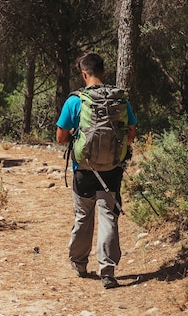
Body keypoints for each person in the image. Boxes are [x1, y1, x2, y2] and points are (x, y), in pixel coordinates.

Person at [56, 52, 137, 289]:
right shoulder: (120, 100)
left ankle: (79, 263)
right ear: (103, 72)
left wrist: (78, 135)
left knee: (83, 217)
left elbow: (61, 137)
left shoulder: (76, 101)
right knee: (108, 217)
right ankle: (107, 272)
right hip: (112, 169)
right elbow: (131, 135)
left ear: (84, 73)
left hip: (84, 169)